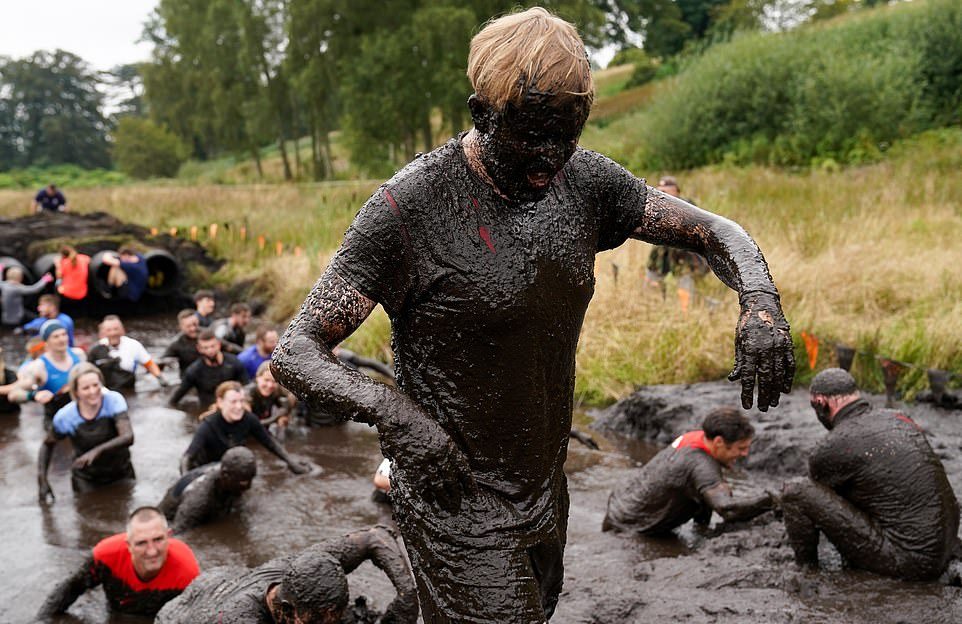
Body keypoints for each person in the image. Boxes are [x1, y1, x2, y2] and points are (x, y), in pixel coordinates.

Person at [272, 7, 794, 621]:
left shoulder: (588, 184)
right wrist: (398, 416)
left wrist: (760, 303)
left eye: (566, 135)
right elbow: (297, 350)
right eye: (530, 136)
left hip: (544, 485)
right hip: (452, 494)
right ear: (481, 114)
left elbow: (713, 231)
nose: (550, 159)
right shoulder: (408, 210)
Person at [781, 368, 961, 581]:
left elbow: (815, 502)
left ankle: (807, 573)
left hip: (909, 561)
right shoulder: (898, 418)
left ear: (821, 403)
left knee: (795, 493)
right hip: (944, 547)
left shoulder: (832, 447)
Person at [155, 526, 418, 624]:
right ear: (288, 611)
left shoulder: (304, 565)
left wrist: (408, 595)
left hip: (222, 584)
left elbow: (375, 537)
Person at [602, 407, 775, 535]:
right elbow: (727, 510)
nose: (745, 454)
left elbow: (701, 497)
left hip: (623, 504)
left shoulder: (697, 438)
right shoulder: (699, 464)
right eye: (741, 448)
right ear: (719, 442)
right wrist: (773, 499)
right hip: (628, 529)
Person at [38, 506, 199, 618]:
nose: (152, 551)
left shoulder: (187, 572)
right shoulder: (106, 556)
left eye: (158, 540)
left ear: (168, 536)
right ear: (128, 544)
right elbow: (71, 588)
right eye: (141, 543)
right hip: (116, 612)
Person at [36, 363, 135, 500]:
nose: (93, 391)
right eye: (86, 388)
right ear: (76, 392)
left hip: (121, 472)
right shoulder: (66, 416)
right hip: (87, 478)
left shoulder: (113, 400)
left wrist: (96, 451)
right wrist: (42, 479)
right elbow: (47, 445)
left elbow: (128, 437)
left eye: (96, 385)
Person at [179, 381, 308, 475]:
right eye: (233, 402)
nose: (239, 406)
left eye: (241, 401)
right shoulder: (208, 425)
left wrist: (292, 463)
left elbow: (270, 443)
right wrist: (185, 480)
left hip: (230, 466)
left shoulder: (249, 419)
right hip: (206, 469)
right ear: (220, 402)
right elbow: (187, 458)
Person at [159, 446, 257, 533]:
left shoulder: (233, 471)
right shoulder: (198, 498)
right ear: (225, 475)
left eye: (250, 480)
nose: (248, 487)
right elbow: (177, 531)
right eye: (241, 483)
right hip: (171, 515)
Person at [6, 320, 86, 426]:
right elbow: (13, 395)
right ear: (46, 341)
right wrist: (34, 395)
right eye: (56, 336)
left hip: (81, 416)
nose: (62, 339)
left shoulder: (79, 355)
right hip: (55, 420)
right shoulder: (38, 366)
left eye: (64, 334)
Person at [645, 176, 710, 282]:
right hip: (664, 254)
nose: (661, 192)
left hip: (686, 256)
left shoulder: (687, 205)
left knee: (686, 284)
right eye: (659, 189)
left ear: (676, 190)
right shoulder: (657, 207)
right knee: (653, 279)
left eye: (665, 189)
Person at [169, 329, 249, 409]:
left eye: (212, 346)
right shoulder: (194, 371)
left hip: (232, 406)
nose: (210, 351)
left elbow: (246, 387)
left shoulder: (234, 363)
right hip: (208, 410)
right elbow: (175, 398)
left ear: (219, 345)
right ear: (199, 349)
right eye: (205, 348)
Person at [93, 315, 166, 390]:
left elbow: (148, 363)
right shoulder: (97, 349)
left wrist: (160, 377)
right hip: (106, 390)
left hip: (128, 388)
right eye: (109, 330)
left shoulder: (133, 345)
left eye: (116, 329)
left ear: (122, 330)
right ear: (103, 332)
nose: (113, 333)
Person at [247, 361, 296, 440]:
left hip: (265, 424)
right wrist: (275, 418)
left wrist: (285, 413)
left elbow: (292, 396)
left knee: (283, 421)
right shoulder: (248, 394)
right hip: (248, 430)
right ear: (257, 378)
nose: (270, 385)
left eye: (274, 381)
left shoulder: (276, 389)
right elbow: (249, 423)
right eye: (266, 380)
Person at [162, 309, 202, 375]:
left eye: (194, 324)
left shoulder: (208, 335)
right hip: (188, 379)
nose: (193, 328)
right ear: (181, 327)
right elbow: (162, 361)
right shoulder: (176, 344)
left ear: (198, 321)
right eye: (188, 326)